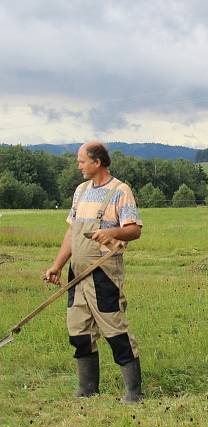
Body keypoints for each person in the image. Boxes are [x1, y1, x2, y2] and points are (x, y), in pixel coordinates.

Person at [43, 142, 144, 403]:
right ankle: (88, 388)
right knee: (78, 331)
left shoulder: (120, 192)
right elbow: (71, 232)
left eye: (81, 161)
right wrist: (57, 265)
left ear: (97, 162)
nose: (78, 166)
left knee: (115, 330)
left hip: (103, 272)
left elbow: (134, 230)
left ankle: (133, 393)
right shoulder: (80, 191)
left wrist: (112, 232)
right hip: (77, 272)